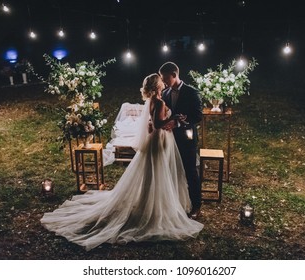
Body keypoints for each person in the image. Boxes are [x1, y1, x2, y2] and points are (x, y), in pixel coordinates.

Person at [41, 73, 203, 251]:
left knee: (155, 172)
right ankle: (153, 207)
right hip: (158, 140)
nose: (163, 83)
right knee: (157, 171)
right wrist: (172, 119)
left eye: (164, 79)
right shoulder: (159, 100)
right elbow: (157, 123)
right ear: (157, 87)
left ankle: (157, 203)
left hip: (161, 140)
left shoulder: (157, 99)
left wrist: (164, 122)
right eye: (160, 81)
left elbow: (158, 120)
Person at [159, 62, 203, 219]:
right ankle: (174, 202)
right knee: (171, 170)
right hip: (170, 140)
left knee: (190, 171)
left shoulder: (191, 92)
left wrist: (178, 122)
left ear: (174, 75)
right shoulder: (164, 93)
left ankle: (196, 206)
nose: (163, 82)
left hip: (186, 138)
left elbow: (198, 116)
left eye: (165, 79)